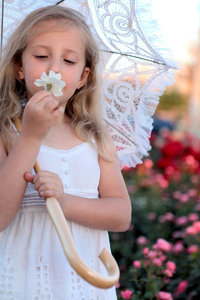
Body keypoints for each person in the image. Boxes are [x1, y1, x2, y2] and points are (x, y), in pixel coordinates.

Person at [0, 5, 131, 300]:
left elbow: (121, 215)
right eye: (41, 56)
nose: (54, 69)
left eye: (69, 60)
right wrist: (31, 136)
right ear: (20, 67)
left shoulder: (94, 136)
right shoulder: (8, 130)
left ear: (83, 77)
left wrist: (65, 201)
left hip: (84, 281)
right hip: (24, 279)